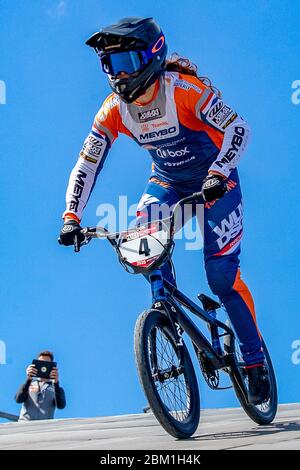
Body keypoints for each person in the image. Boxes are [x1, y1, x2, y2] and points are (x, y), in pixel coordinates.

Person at [59, 17, 270, 405]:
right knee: (144, 247)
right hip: (168, 183)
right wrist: (71, 215)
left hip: (215, 183)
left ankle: (255, 361)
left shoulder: (185, 92)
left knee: (221, 278)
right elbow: (87, 163)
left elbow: (238, 129)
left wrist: (220, 172)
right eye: (110, 66)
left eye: (125, 64)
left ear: (153, 56)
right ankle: (168, 315)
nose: (118, 77)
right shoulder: (112, 110)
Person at [15, 350, 66, 421]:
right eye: (41, 363)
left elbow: (61, 405)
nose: (43, 366)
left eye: (46, 363)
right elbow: (18, 399)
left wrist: (56, 383)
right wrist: (29, 379)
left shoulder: (56, 388)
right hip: (24, 425)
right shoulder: (28, 385)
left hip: (44, 428)